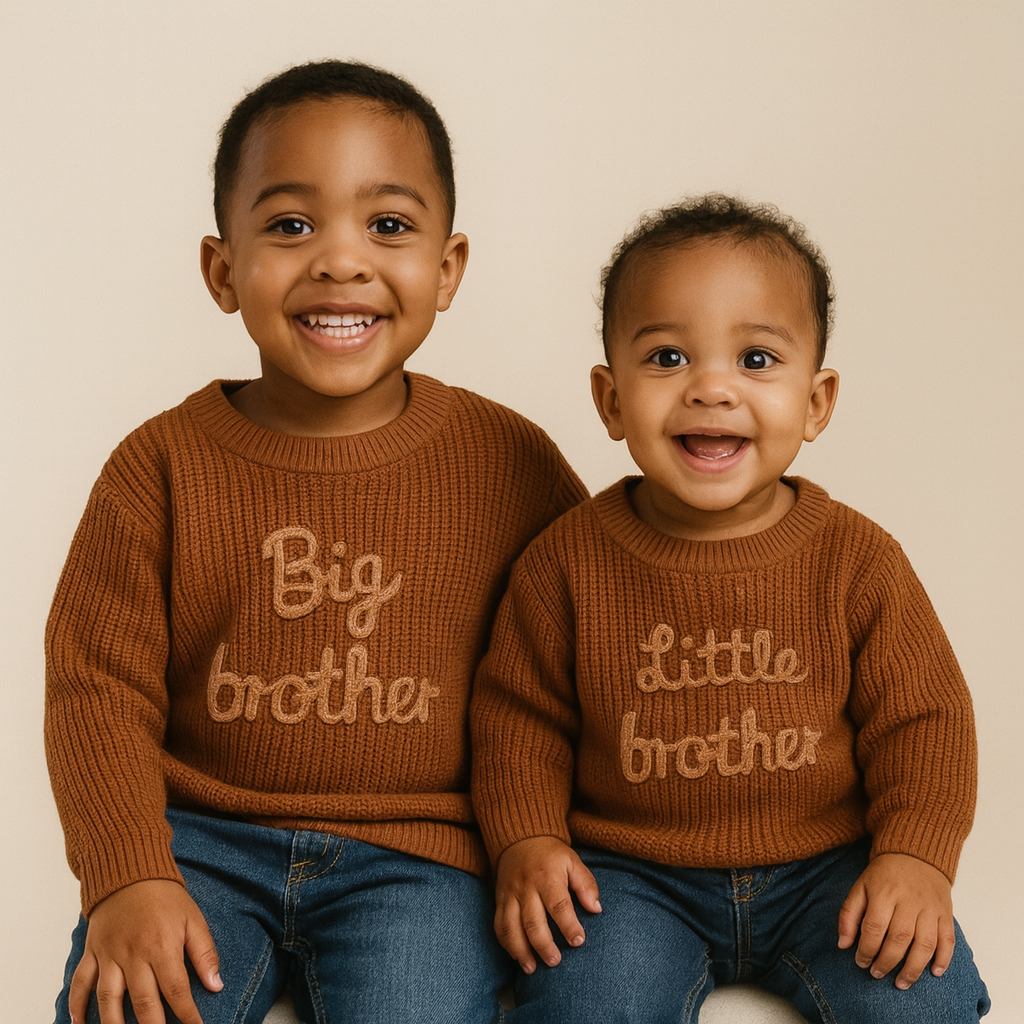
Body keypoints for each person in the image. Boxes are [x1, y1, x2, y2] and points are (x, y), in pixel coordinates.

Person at [45, 60, 586, 1024]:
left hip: (420, 858)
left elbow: (588, 653)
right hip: (200, 842)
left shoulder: (512, 464)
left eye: (388, 225)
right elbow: (96, 690)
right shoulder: (160, 467)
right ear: (222, 270)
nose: (341, 261)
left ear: (449, 268)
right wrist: (127, 877)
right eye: (291, 225)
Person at [470, 194, 990, 1023]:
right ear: (609, 399)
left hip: (828, 869)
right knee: (586, 1001)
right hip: (632, 878)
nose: (712, 389)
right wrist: (527, 839)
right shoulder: (565, 561)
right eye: (668, 357)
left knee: (913, 997)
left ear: (816, 402)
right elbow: (518, 722)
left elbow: (924, 720)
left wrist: (915, 857)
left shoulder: (858, 561)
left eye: (756, 360)